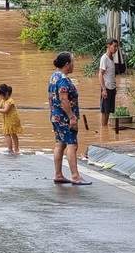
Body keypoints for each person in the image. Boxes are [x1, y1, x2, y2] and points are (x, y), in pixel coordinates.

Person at [49, 52, 91, 185]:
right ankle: (75, 176)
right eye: (72, 62)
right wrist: (72, 117)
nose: (73, 65)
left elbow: (51, 98)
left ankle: (58, 174)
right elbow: (63, 100)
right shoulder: (63, 79)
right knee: (72, 145)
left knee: (60, 143)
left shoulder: (54, 77)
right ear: (67, 64)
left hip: (55, 116)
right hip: (64, 117)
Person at [0, 84, 22, 154]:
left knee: (9, 134)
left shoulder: (10, 101)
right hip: (7, 120)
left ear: (7, 94)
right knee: (9, 134)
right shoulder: (3, 100)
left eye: (1, 95)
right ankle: (13, 149)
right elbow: (0, 106)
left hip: (12, 120)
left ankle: (12, 149)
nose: (1, 97)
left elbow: (5, 110)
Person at [98, 39, 120, 127]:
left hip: (111, 87)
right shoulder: (104, 58)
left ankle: (105, 128)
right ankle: (103, 130)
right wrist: (103, 89)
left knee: (109, 110)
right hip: (106, 87)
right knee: (104, 111)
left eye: (117, 46)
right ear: (108, 46)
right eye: (114, 46)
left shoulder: (111, 58)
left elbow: (112, 75)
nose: (116, 48)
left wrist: (115, 87)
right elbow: (100, 74)